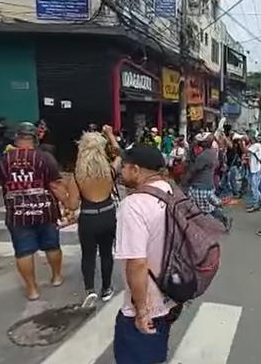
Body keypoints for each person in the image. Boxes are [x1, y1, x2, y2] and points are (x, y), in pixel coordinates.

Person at [113, 146, 178, 364]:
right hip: (173, 291)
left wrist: (141, 311)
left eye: (124, 167)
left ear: (136, 169)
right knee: (156, 352)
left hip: (148, 302)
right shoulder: (172, 192)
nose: (121, 172)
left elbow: (137, 263)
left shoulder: (134, 205)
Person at [0, 122, 67, 300]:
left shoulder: (4, 160)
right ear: (34, 139)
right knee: (52, 246)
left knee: (23, 252)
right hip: (45, 211)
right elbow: (56, 185)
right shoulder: (45, 158)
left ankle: (32, 289)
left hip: (17, 214)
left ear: (16, 139)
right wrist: (67, 204)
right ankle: (56, 277)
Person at [64, 126, 120, 306]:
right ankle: (106, 288)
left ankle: (90, 290)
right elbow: (121, 155)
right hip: (108, 215)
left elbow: (72, 205)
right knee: (106, 254)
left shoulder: (76, 176)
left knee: (88, 255)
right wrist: (111, 135)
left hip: (88, 218)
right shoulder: (109, 171)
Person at [182, 133, 232, 231]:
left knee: (204, 208)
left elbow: (193, 170)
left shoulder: (204, 156)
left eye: (201, 142)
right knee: (203, 207)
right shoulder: (213, 152)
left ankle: (223, 218)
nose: (198, 143)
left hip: (199, 186)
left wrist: (184, 182)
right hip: (207, 184)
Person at [245, 129, 261, 213]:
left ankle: (255, 204)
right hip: (256, 168)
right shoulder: (256, 144)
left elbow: (245, 150)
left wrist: (242, 143)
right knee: (254, 186)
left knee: (254, 187)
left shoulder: (256, 145)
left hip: (256, 169)